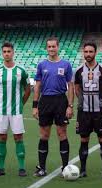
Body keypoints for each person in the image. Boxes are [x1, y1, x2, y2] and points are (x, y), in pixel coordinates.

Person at [32, 37, 74, 177]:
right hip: (45, 101)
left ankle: (65, 167)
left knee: (62, 133)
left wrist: (70, 105)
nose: (51, 49)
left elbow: (71, 86)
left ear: (58, 47)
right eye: (49, 47)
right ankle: (42, 167)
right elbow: (37, 85)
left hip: (60, 101)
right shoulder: (41, 65)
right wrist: (35, 105)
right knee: (44, 134)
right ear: (46, 48)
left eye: (53, 46)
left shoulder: (66, 64)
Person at [0, 42, 31, 177]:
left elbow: (27, 89)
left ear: (13, 53)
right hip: (1, 111)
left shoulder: (21, 71)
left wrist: (21, 103)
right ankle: (1, 167)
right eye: (4, 51)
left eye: (9, 51)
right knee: (1, 137)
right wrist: (0, 102)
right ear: (2, 53)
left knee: (18, 137)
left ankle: (21, 167)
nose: (7, 53)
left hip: (16, 111)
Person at [73, 42, 102, 179]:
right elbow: (77, 88)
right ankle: (83, 170)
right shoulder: (78, 71)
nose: (88, 54)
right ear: (83, 53)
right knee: (84, 139)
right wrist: (82, 101)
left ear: (95, 53)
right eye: (86, 52)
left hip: (99, 111)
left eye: (91, 52)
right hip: (83, 112)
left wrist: (101, 102)